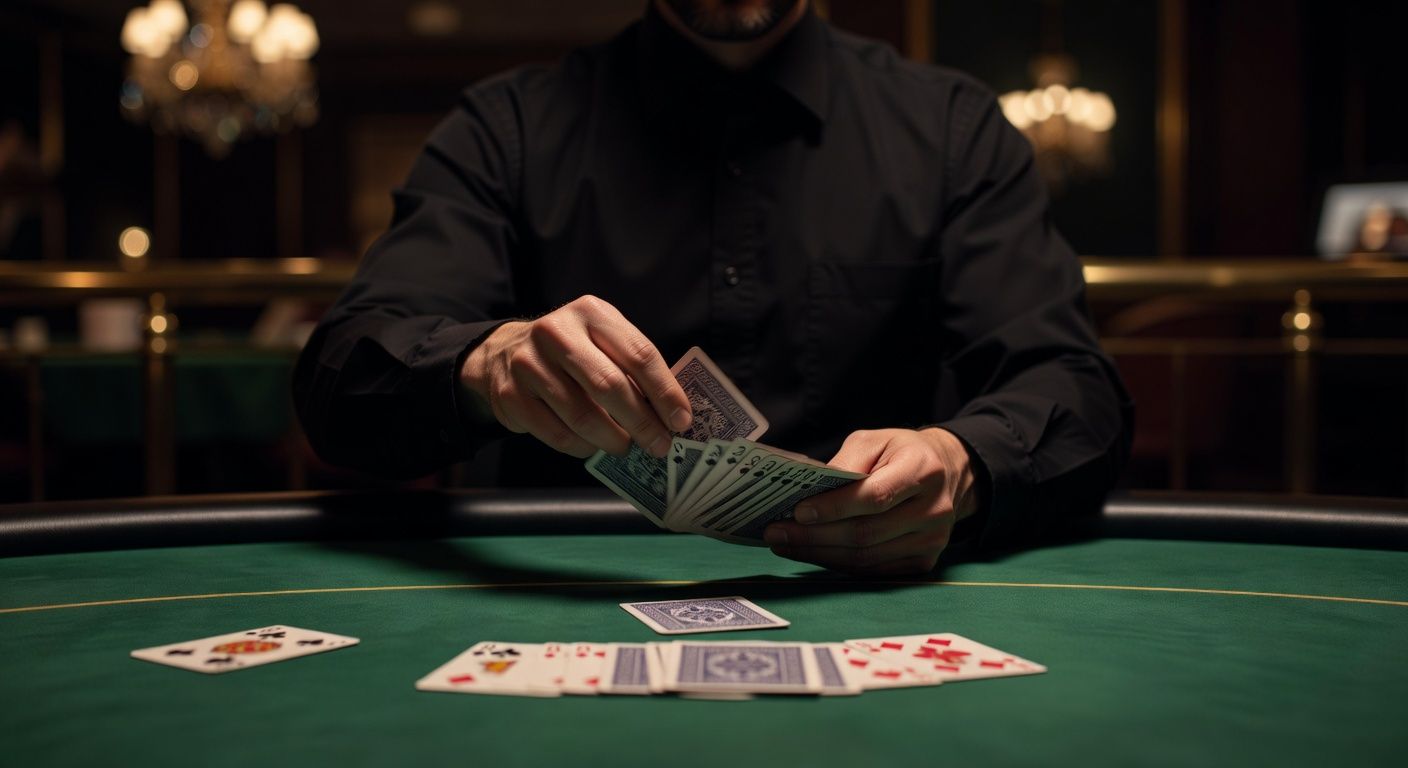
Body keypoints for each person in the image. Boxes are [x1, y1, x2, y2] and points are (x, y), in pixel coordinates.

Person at [293, 0, 1133, 575]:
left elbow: (1074, 388)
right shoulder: (505, 130)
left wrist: (963, 463)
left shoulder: (953, 130)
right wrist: (483, 361)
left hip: (875, 603)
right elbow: (342, 375)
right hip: (563, 599)